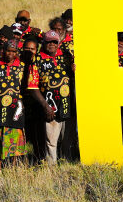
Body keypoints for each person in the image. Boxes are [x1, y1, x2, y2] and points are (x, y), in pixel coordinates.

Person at [27, 30, 74, 164]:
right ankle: (51, 168)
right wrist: (46, 106)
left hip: (68, 105)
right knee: (51, 141)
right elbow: (33, 87)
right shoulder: (37, 59)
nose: (52, 44)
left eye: (55, 42)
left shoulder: (66, 56)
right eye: (49, 42)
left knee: (68, 139)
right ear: (43, 42)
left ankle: (67, 165)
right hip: (50, 106)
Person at [0, 40, 27, 168]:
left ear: (17, 52)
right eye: (8, 51)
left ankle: (13, 165)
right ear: (3, 51)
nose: (10, 54)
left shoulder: (22, 66)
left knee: (15, 133)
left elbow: (25, 86)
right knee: (0, 132)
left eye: (13, 51)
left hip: (16, 106)